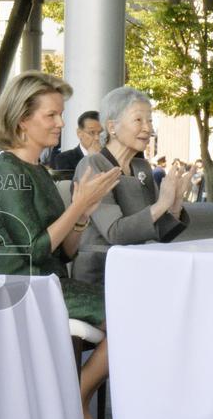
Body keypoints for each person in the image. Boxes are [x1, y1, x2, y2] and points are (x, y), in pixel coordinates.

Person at [0, 71, 121, 419]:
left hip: (50, 280)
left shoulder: (37, 170)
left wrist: (83, 214)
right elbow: (33, 249)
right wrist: (77, 206)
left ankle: (75, 402)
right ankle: (75, 403)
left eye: (60, 114)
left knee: (131, 312)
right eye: (51, 115)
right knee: (128, 318)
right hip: (22, 285)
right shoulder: (4, 170)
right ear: (22, 120)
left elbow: (66, 250)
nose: (60, 123)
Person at [72, 86, 191, 288]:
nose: (148, 128)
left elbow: (161, 234)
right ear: (112, 127)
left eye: (150, 121)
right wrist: (162, 204)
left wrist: (175, 204)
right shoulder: (93, 165)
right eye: (138, 120)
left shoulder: (141, 166)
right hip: (100, 274)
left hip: (137, 268)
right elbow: (115, 233)